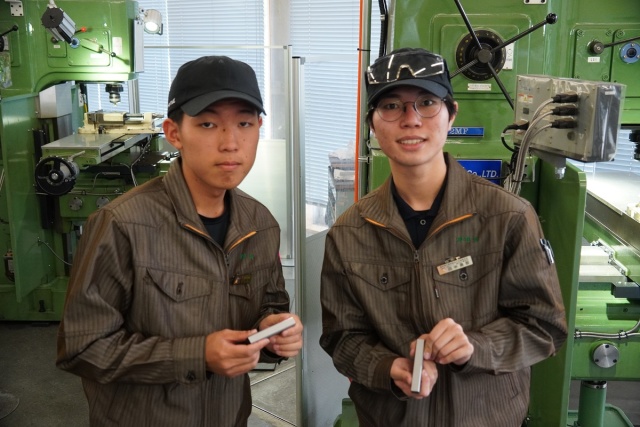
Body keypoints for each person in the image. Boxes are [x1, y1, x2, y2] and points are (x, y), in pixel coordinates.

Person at [319, 47, 567, 427]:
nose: (411, 120)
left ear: (451, 114)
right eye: (391, 106)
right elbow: (342, 338)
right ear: (372, 123)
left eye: (426, 103)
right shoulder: (350, 232)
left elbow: (544, 327)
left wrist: (475, 347)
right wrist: (387, 368)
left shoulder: (508, 217)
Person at [56, 55, 303, 427]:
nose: (231, 143)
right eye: (208, 124)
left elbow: (267, 306)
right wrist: (196, 355)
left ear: (259, 128)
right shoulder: (122, 225)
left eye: (244, 123)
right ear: (174, 133)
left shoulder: (259, 224)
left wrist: (274, 329)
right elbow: (82, 347)